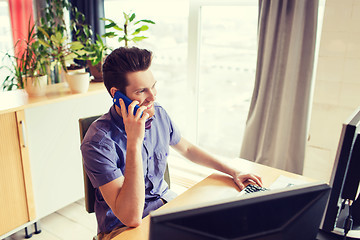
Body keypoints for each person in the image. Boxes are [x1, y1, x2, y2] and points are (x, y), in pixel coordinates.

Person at [81, 47, 263, 240]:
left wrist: (234, 171)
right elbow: (131, 217)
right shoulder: (97, 143)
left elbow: (188, 149)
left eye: (153, 86)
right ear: (117, 94)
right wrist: (134, 141)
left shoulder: (157, 113)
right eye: (141, 91)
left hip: (166, 206)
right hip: (121, 228)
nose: (152, 97)